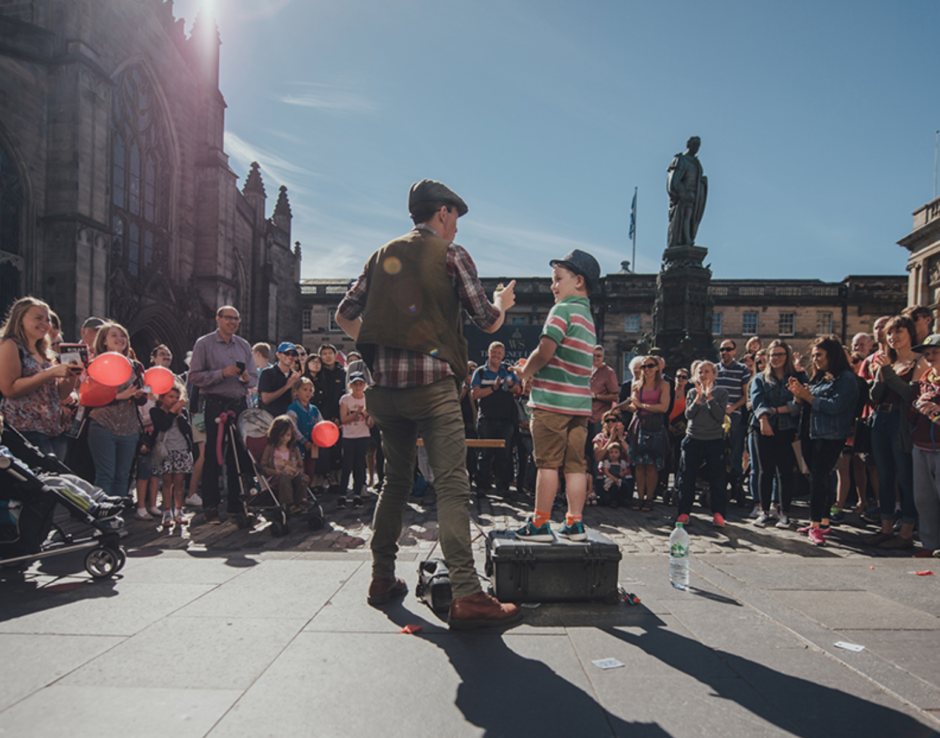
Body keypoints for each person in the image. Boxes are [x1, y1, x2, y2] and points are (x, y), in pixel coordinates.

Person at [336, 178, 520, 629]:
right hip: (433, 388)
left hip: (384, 393)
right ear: (442, 213)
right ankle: (467, 595)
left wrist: (382, 343)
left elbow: (343, 314)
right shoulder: (450, 254)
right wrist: (502, 302)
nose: (456, 226)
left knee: (394, 482)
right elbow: (488, 321)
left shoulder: (381, 255)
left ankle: (382, 578)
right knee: (452, 485)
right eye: (455, 216)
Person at [514, 249, 599, 541]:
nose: (553, 286)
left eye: (557, 279)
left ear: (579, 281)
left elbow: (546, 351)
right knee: (576, 466)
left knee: (547, 464)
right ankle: (574, 523)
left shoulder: (562, 310)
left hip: (552, 404)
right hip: (579, 407)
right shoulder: (588, 318)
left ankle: (540, 523)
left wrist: (526, 372)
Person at [188, 305, 257, 523]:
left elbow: (255, 378)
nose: (233, 322)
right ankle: (211, 505)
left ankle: (236, 505)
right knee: (211, 455)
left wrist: (247, 379)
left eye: (236, 319)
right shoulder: (204, 343)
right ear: (218, 319)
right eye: (228, 318)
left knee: (237, 456)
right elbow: (194, 377)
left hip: (238, 404)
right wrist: (221, 373)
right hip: (215, 405)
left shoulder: (244, 345)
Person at [787, 337, 860, 546]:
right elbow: (807, 404)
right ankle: (824, 521)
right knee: (817, 477)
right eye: (814, 355)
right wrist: (798, 395)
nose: (815, 359)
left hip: (830, 435)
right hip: (810, 432)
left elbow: (834, 407)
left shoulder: (845, 379)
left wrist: (807, 396)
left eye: (819, 355)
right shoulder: (821, 378)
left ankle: (815, 525)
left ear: (832, 355)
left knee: (819, 478)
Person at [864, 315, 925, 550]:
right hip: (880, 419)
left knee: (906, 478)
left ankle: (907, 532)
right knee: (885, 476)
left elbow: (909, 394)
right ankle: (886, 529)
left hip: (902, 422)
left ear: (910, 333)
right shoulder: (887, 361)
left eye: (898, 331)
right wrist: (879, 376)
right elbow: (875, 397)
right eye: (890, 333)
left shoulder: (919, 361)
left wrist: (887, 371)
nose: (893, 337)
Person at [0, 296, 80, 459]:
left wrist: (72, 375)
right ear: (20, 319)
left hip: (51, 429)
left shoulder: (46, 353)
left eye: (47, 319)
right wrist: (49, 373)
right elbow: (10, 389)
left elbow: (59, 395)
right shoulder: (10, 344)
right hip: (24, 430)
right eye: (38, 318)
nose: (45, 324)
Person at [83, 322, 147, 499]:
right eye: (114, 335)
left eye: (123, 335)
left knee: (122, 475)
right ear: (103, 341)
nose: (120, 339)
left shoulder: (135, 365)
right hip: (103, 424)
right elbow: (88, 396)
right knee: (106, 474)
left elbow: (143, 398)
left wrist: (138, 394)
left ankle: (116, 516)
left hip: (129, 426)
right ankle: (102, 516)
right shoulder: (95, 362)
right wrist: (120, 396)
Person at [750, 340, 805, 530]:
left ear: (787, 356)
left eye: (780, 354)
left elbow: (798, 405)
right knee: (765, 471)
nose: (776, 358)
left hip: (787, 428)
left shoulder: (797, 377)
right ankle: (764, 512)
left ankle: (784, 513)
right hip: (763, 427)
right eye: (773, 355)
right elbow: (757, 402)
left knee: (785, 472)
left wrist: (775, 409)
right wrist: (765, 419)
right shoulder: (760, 378)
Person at [676, 360, 728, 527]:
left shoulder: (721, 393)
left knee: (717, 479)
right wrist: (699, 398)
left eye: (706, 371)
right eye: (700, 372)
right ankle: (684, 512)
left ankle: (718, 513)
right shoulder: (692, 392)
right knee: (687, 477)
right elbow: (689, 415)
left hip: (714, 439)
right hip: (694, 438)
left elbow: (719, 416)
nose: (703, 375)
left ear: (714, 374)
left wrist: (709, 397)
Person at [470, 341, 520, 497]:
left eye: (499, 353)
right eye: (494, 352)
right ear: (488, 353)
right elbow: (475, 394)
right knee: (484, 455)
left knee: (504, 456)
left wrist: (509, 384)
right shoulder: (480, 372)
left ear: (503, 355)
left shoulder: (508, 370)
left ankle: (502, 487)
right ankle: (482, 487)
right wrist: (493, 388)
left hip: (506, 419)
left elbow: (518, 389)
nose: (497, 355)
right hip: (486, 419)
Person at [908, 333, 940, 557]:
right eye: (927, 354)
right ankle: (929, 545)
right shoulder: (924, 380)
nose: (930, 357)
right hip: (921, 445)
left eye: (935, 353)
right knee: (923, 498)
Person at [628, 355, 671, 512]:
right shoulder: (636, 384)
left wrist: (642, 405)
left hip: (655, 425)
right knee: (639, 464)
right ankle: (639, 497)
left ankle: (649, 498)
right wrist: (637, 406)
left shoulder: (664, 385)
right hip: (639, 424)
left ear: (657, 367)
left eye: (650, 366)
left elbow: (664, 407)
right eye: (643, 366)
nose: (646, 369)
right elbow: (634, 405)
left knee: (652, 465)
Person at [150, 381, 193, 526]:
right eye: (170, 397)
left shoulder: (183, 412)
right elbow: (163, 425)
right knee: (167, 482)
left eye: (177, 397)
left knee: (179, 482)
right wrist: (172, 412)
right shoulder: (156, 411)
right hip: (165, 451)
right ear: (161, 398)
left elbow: (187, 430)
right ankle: (167, 512)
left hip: (181, 449)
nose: (174, 400)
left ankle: (179, 511)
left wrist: (180, 415)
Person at [716, 339, 750, 508]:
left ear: (735, 351)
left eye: (728, 349)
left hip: (734, 416)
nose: (725, 352)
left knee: (735, 452)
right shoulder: (715, 369)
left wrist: (733, 407)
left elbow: (746, 395)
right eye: (722, 349)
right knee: (718, 452)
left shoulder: (742, 369)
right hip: (716, 416)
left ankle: (736, 486)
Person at [259, 414, 308, 515]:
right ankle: (289, 504)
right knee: (284, 477)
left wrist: (298, 471)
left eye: (288, 435)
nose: (285, 438)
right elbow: (263, 466)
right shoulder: (271, 448)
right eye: (282, 435)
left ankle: (300, 501)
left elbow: (300, 465)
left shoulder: (294, 449)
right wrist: (274, 472)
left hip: (292, 475)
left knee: (303, 478)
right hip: (276, 476)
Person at [337, 371, 373, 509]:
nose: (358, 387)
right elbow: (343, 419)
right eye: (355, 384)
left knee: (359, 465)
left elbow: (371, 424)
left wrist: (367, 417)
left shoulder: (368, 399)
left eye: (361, 384)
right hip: (349, 436)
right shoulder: (346, 399)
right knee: (347, 465)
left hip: (363, 435)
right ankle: (342, 495)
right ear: (350, 385)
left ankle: (357, 494)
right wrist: (357, 413)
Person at [666, 135, 708, 248]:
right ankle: (686, 239)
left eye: (698, 146)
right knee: (685, 216)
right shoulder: (681, 160)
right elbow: (673, 181)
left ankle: (688, 238)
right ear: (688, 145)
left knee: (690, 218)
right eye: (694, 145)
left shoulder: (696, 163)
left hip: (694, 195)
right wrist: (682, 193)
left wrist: (703, 182)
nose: (696, 148)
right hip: (683, 196)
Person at [318, 344, 346, 493]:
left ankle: (338, 478)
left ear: (335, 355)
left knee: (338, 448)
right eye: (324, 354)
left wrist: (338, 416)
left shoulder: (342, 373)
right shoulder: (319, 373)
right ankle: (325, 478)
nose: (328, 356)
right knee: (324, 448)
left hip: (339, 416)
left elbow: (342, 396)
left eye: (330, 353)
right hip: (323, 416)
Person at [287, 377, 322, 481]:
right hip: (298, 446)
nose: (308, 393)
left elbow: (320, 425)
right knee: (299, 470)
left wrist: (318, 440)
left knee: (310, 470)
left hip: (313, 445)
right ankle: (300, 493)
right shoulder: (292, 409)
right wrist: (304, 441)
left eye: (310, 390)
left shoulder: (314, 410)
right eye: (304, 390)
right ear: (296, 391)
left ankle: (308, 492)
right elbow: (293, 428)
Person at [258, 342, 303, 418]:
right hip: (269, 419)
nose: (290, 357)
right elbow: (265, 399)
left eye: (293, 354)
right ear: (278, 355)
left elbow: (294, 402)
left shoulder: (294, 376)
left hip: (288, 419)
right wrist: (286, 386)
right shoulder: (267, 373)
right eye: (287, 353)